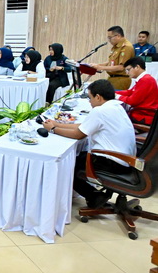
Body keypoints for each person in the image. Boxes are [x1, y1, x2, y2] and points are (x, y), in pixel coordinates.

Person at [43, 80, 136, 209]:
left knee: (69, 164)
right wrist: (56, 123)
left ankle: (93, 196)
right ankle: (94, 194)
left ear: (98, 97)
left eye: (90, 98)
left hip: (113, 162)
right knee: (79, 155)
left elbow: (79, 134)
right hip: (125, 160)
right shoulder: (115, 107)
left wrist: (53, 130)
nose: (89, 102)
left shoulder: (100, 111)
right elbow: (85, 125)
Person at [90, 25, 135, 90]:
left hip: (120, 79)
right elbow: (111, 62)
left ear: (118, 36)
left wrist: (100, 67)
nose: (109, 40)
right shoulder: (116, 46)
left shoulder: (126, 47)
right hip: (112, 78)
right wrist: (97, 65)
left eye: (110, 38)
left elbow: (121, 67)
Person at [116, 57, 158, 125]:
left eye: (128, 70)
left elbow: (132, 101)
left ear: (137, 67)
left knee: (114, 118)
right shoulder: (144, 79)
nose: (127, 73)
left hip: (142, 116)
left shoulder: (146, 80)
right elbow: (130, 92)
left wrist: (117, 96)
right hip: (139, 113)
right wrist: (112, 92)